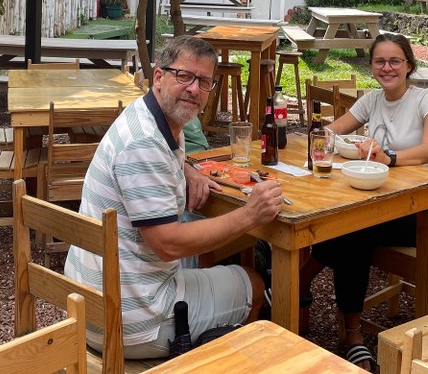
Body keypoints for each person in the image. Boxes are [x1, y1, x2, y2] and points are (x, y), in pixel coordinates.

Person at [65, 35, 283, 359]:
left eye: (204, 81)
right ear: (159, 77)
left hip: (88, 299)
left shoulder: (149, 117)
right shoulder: (144, 144)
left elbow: (161, 162)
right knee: (251, 282)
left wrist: (187, 169)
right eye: (184, 76)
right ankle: (199, 361)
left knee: (210, 258)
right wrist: (249, 215)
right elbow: (168, 244)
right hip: (128, 320)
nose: (194, 88)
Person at [299, 32, 428, 372]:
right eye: (379, 61)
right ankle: (351, 330)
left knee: (351, 231)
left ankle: (305, 282)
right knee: (351, 228)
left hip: (419, 212)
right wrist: (332, 138)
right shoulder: (372, 100)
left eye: (395, 60)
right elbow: (332, 133)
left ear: (409, 64)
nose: (387, 67)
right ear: (372, 66)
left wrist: (389, 158)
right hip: (375, 202)